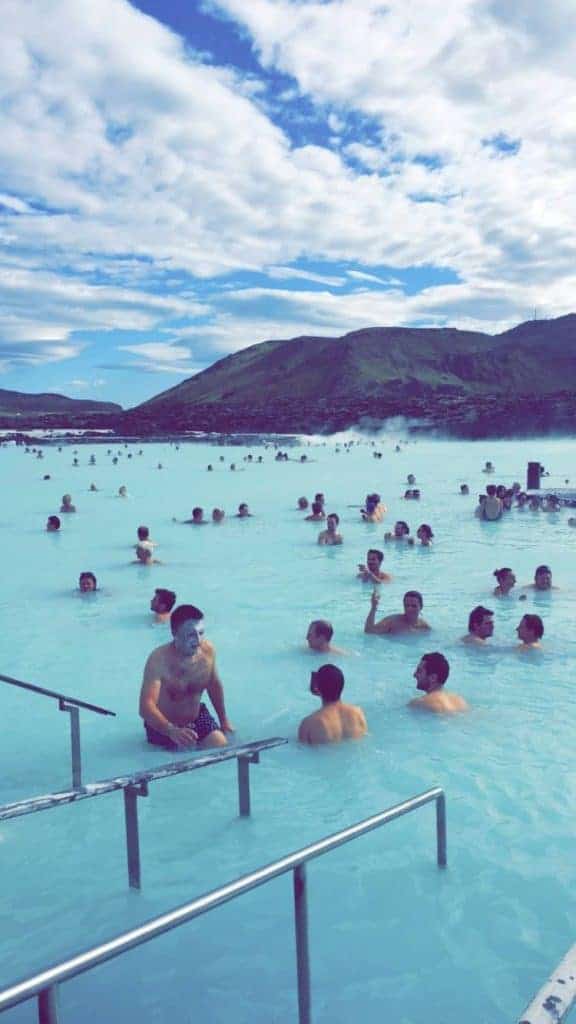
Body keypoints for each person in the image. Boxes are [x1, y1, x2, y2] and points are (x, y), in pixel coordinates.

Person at [139, 604, 233, 750]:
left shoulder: (207, 651)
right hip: (163, 725)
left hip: (196, 717)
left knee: (221, 745)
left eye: (201, 633)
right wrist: (171, 730)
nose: (198, 640)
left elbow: (213, 684)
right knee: (176, 760)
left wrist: (224, 720)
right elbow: (145, 707)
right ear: (174, 633)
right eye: (191, 634)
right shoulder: (158, 660)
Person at [298, 665, 367, 745]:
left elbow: (301, 751)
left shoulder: (309, 724)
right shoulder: (358, 713)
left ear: (316, 687)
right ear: (342, 685)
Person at [365, 589, 430, 635]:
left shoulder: (424, 627)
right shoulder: (392, 622)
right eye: (407, 605)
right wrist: (373, 607)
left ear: (421, 607)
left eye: (413, 606)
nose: (409, 609)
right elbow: (369, 631)